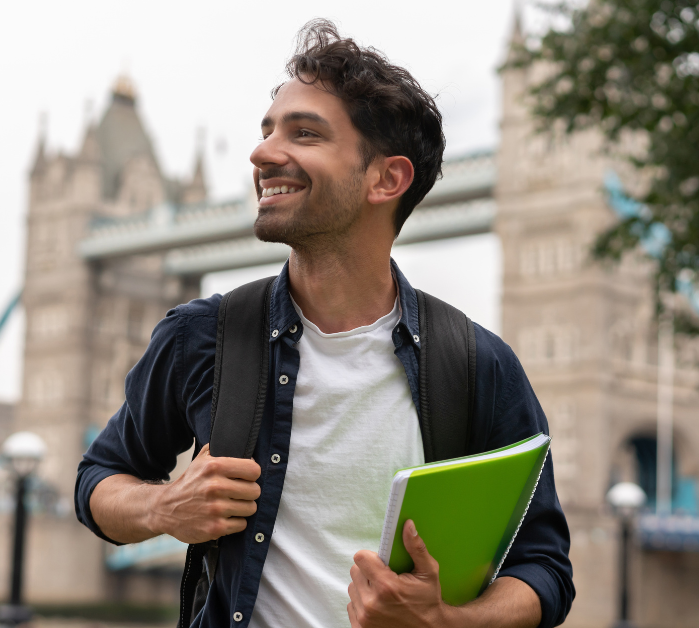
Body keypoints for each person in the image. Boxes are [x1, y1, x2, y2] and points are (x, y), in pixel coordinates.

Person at [76, 19, 574, 628]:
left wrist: (445, 620)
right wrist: (164, 507)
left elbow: (545, 568)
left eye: (304, 133)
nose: (262, 153)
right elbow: (97, 479)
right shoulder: (202, 337)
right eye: (266, 132)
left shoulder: (477, 363)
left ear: (386, 179)